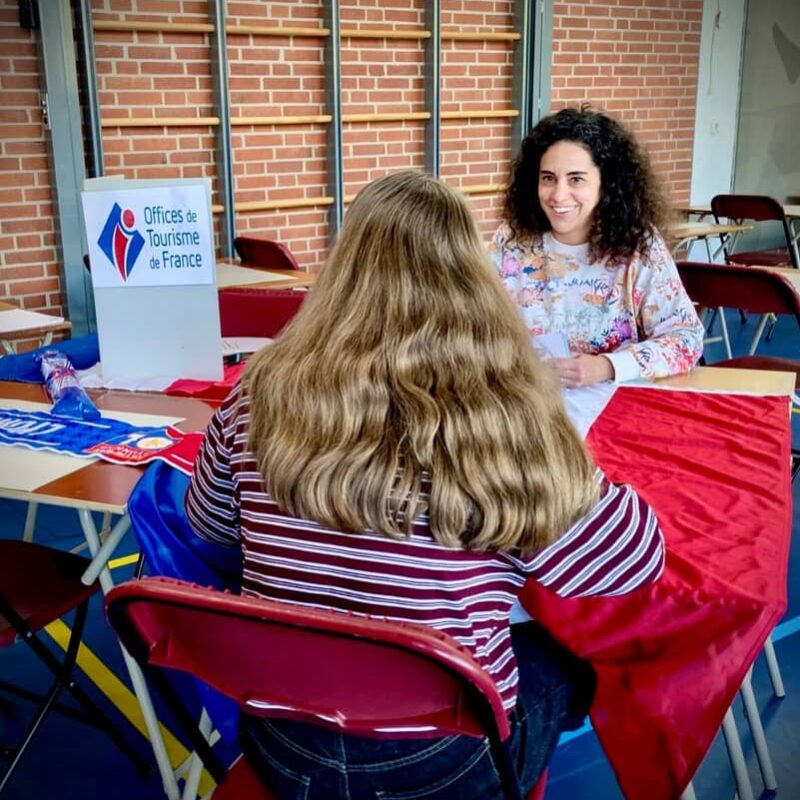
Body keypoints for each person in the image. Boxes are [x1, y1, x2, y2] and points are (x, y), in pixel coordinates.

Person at [186, 171, 665, 800]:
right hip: (441, 761)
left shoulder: (259, 390)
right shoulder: (501, 416)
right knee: (563, 660)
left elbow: (211, 527)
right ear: (473, 275)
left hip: (282, 742)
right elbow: (628, 563)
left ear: (344, 268)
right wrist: (569, 461)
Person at [490, 106, 704, 388]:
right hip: (527, 404)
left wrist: (607, 366)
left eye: (576, 179)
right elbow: (474, 327)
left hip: (615, 408)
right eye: (548, 178)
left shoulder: (638, 246)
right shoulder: (511, 241)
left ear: (607, 185)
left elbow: (686, 338)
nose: (558, 195)